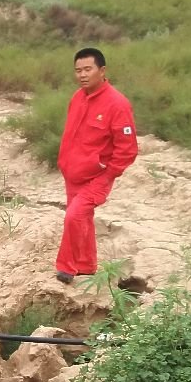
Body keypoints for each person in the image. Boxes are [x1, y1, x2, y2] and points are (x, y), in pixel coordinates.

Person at [54, 47, 138, 284]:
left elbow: (128, 149)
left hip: (98, 176)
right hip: (73, 172)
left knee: (74, 216)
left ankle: (66, 267)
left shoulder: (117, 104)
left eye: (87, 69)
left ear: (102, 71)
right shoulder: (77, 98)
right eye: (78, 70)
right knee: (83, 218)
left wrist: (109, 174)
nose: (82, 75)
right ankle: (86, 265)